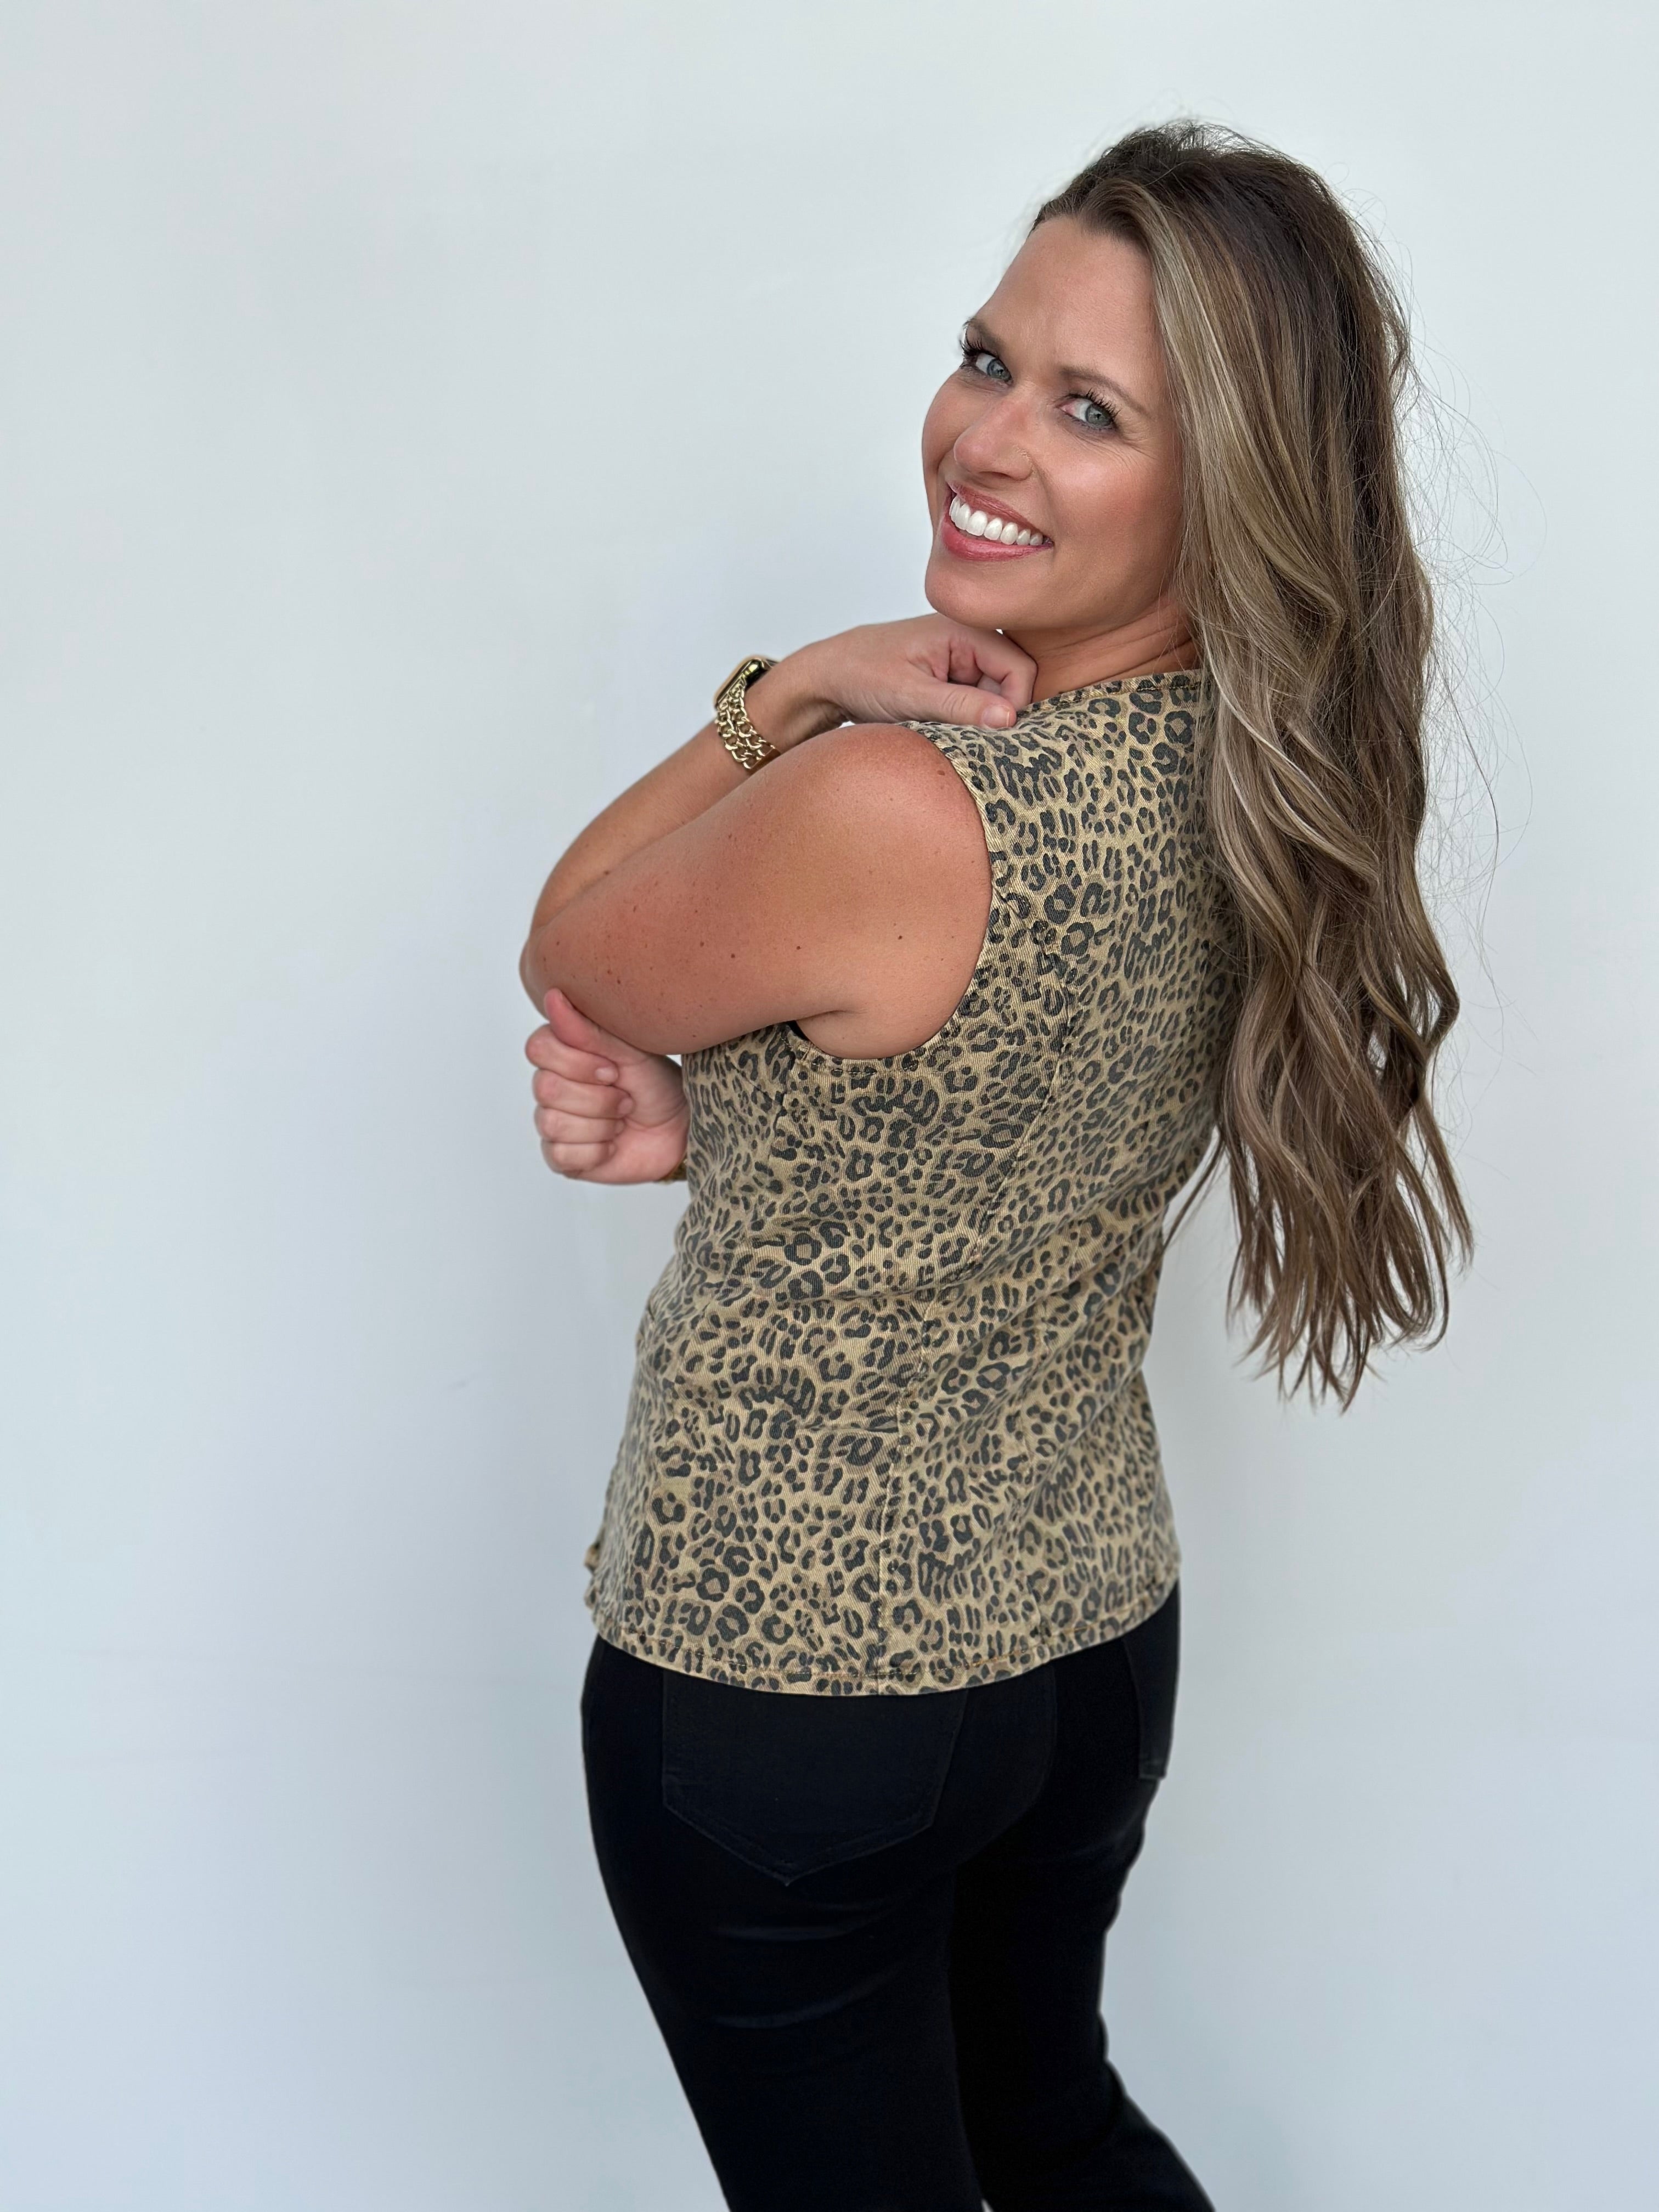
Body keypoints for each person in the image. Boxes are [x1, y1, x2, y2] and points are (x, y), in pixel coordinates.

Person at [517, 121, 1470, 2212]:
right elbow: (1009, 1120)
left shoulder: (897, 804)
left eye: (1091, 407)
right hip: (1086, 1647)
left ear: (1225, 487)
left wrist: (789, 693)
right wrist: (719, 1137)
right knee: (1056, 2139)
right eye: (987, 357)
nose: (989, 436)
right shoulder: (1250, 772)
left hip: (796, 1685)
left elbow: (572, 942)